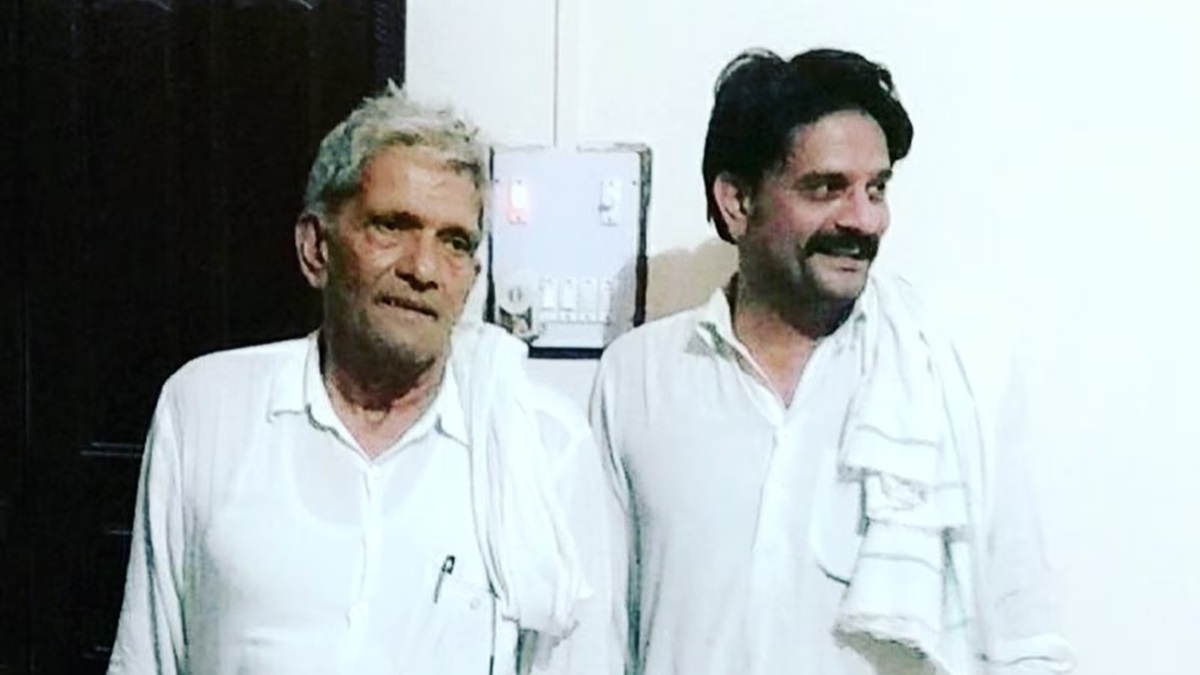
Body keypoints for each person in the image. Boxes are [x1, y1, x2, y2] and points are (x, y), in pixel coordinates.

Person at [589, 48, 1075, 674]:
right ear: (737, 202)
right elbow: (594, 642)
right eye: (827, 189)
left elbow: (1025, 637)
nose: (864, 220)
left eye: (877, 189)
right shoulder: (639, 379)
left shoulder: (951, 376)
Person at [108, 83, 622, 675]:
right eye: (392, 226)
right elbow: (146, 656)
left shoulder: (542, 445)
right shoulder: (207, 409)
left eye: (454, 242)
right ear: (316, 248)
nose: (423, 268)